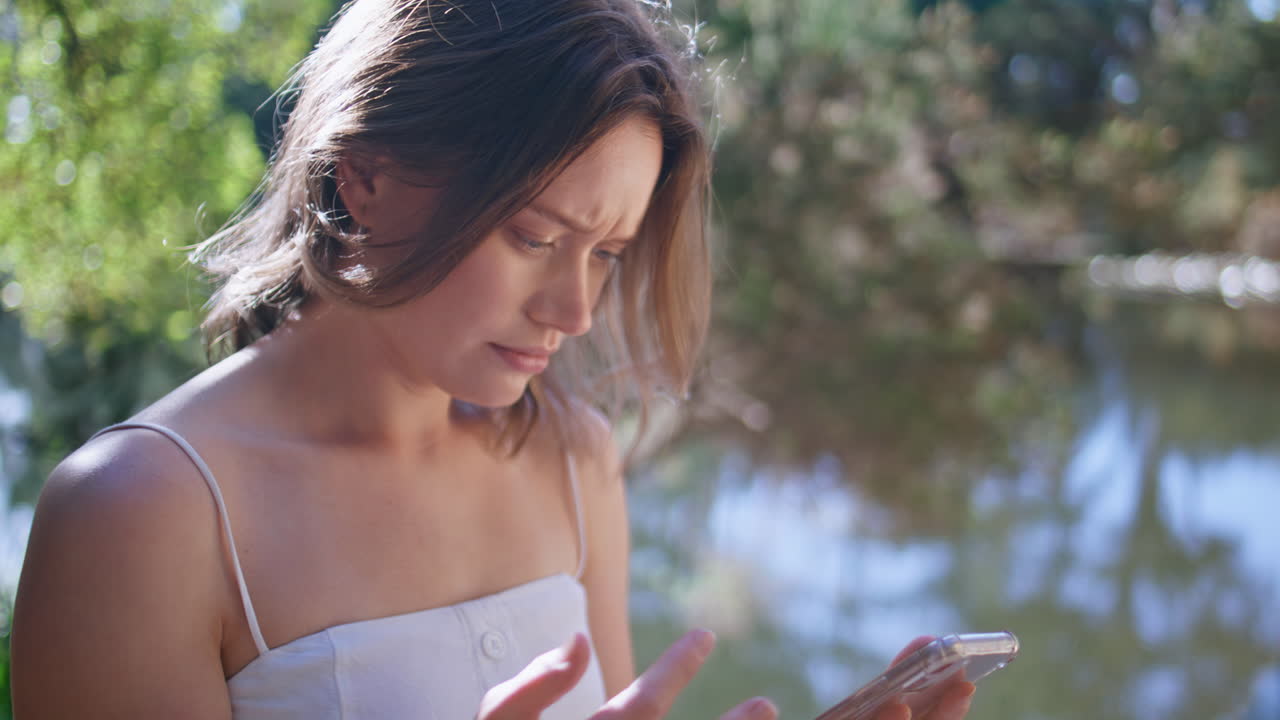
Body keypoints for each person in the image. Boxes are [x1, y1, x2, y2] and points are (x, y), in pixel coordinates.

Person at [9, 1, 978, 718]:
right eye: (532, 236)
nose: (574, 309)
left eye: (605, 253)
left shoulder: (572, 461)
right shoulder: (139, 514)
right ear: (365, 177)